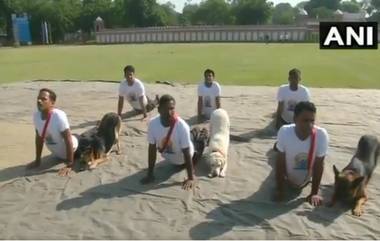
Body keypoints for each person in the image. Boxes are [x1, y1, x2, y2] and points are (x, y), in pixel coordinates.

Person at [141, 94, 208, 190]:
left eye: (172, 109)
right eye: (166, 109)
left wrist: (190, 177)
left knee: (200, 142)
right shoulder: (152, 124)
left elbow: (187, 152)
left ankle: (204, 134)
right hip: (175, 155)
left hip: (189, 156)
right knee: (189, 136)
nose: (169, 112)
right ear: (159, 110)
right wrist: (150, 174)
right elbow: (151, 149)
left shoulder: (181, 126)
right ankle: (195, 131)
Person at [274, 101, 329, 207]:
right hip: (287, 173)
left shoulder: (321, 135)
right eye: (305, 120)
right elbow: (280, 163)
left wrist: (314, 193)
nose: (309, 125)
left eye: (312, 121)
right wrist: (280, 189)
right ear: (295, 119)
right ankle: (276, 146)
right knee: (275, 158)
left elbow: (319, 165)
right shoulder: (284, 132)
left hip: (307, 177)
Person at [27, 88, 78, 176]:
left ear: (52, 103)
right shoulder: (36, 116)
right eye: (38, 98)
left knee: (93, 138)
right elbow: (39, 138)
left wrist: (69, 164)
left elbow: (68, 139)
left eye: (44, 99)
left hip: (77, 149)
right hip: (59, 154)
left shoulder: (58, 116)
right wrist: (38, 160)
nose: (39, 101)